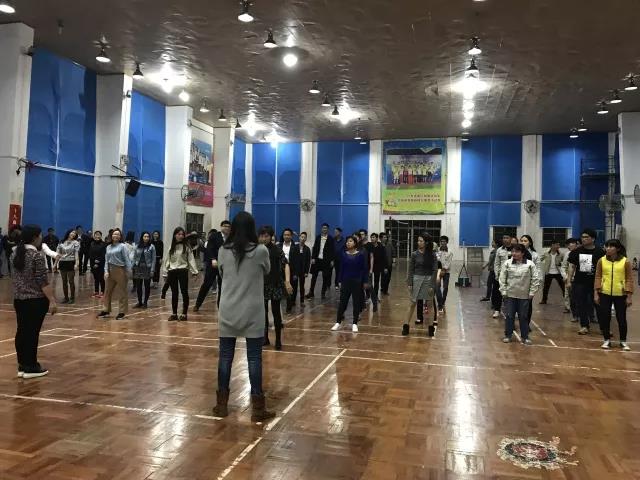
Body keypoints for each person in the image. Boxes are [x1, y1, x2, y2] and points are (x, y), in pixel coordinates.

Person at [213, 211, 275, 422]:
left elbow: (222, 274)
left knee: (225, 357)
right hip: (253, 311)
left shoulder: (223, 250)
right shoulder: (261, 251)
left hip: (228, 309)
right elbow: (266, 271)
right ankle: (258, 408)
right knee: (254, 358)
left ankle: (221, 404)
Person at [10, 224, 57, 379]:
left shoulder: (14, 253)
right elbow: (43, 281)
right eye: (40, 235)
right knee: (32, 333)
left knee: (22, 332)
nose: (41, 238)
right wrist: (52, 300)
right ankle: (31, 366)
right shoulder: (36, 256)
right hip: (35, 300)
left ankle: (22, 365)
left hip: (19, 300)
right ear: (35, 237)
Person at [595, 239, 633, 351]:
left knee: (621, 318)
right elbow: (598, 277)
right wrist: (596, 293)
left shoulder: (625, 261)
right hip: (604, 293)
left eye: (611, 246)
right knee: (605, 317)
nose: (608, 248)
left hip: (621, 294)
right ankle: (606, 340)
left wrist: (629, 296)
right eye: (607, 246)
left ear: (618, 249)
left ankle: (623, 341)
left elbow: (629, 279)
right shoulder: (601, 260)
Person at [566, 228, 605, 335]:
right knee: (581, 304)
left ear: (593, 239)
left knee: (599, 305)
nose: (583, 239)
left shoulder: (600, 252)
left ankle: (604, 327)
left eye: (586, 237)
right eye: (582, 237)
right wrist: (569, 281)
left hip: (595, 283)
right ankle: (584, 326)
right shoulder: (576, 252)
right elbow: (572, 266)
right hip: (580, 282)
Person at [499, 244, 540, 345]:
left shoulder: (530, 264)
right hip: (510, 295)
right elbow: (502, 278)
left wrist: (532, 292)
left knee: (523, 317)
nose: (514, 253)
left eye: (517, 252)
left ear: (523, 253)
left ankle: (525, 337)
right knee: (509, 316)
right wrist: (503, 292)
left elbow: (535, 279)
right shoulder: (507, 263)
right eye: (512, 251)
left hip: (524, 296)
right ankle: (508, 335)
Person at [260, 226, 293, 349]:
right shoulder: (258, 250)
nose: (264, 239)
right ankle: (265, 338)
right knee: (262, 313)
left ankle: (278, 339)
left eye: (266, 236)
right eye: (262, 236)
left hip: (275, 284)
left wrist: (287, 281)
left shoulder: (277, 250)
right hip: (262, 284)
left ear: (271, 237)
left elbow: (286, 264)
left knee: (276, 312)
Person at [402, 232, 441, 338]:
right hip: (416, 279)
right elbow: (410, 269)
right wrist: (410, 282)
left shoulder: (432, 255)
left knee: (429, 304)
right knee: (412, 303)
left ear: (426, 242)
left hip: (428, 280)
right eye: (418, 240)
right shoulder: (414, 254)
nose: (418, 242)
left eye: (421, 241)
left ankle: (431, 328)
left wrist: (432, 285)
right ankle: (406, 326)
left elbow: (435, 270)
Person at [331, 235, 368, 332]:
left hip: (357, 282)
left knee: (356, 303)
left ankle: (355, 323)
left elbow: (364, 269)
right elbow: (341, 269)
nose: (348, 243)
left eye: (350, 241)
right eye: (347, 241)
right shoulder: (344, 254)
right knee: (342, 303)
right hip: (345, 281)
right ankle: (338, 322)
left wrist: (365, 281)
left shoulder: (360, 255)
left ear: (355, 243)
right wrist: (339, 281)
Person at [163, 227, 199, 321]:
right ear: (175, 235)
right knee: (174, 293)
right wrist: (165, 273)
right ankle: (174, 313)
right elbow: (167, 260)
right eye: (178, 234)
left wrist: (194, 272)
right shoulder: (171, 247)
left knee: (184, 292)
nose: (181, 236)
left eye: (182, 234)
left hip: (183, 271)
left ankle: (184, 314)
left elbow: (191, 259)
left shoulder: (187, 247)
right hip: (172, 271)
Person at [98, 229, 132, 320]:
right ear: (111, 236)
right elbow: (106, 260)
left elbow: (127, 259)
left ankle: (122, 312)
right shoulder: (108, 247)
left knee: (122, 292)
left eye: (118, 234)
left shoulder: (123, 246)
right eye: (114, 234)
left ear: (120, 237)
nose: (116, 236)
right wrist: (106, 271)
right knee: (107, 291)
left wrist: (129, 272)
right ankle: (106, 310)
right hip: (110, 269)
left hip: (120, 269)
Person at [306, 223, 335, 300]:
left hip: (326, 260)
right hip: (317, 260)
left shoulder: (331, 239)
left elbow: (332, 250)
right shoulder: (318, 237)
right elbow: (315, 247)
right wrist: (313, 258)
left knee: (325, 277)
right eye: (323, 228)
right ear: (321, 229)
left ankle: (323, 293)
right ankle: (311, 292)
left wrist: (332, 260)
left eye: (326, 228)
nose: (324, 229)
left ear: (328, 229)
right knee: (314, 277)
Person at [194, 229, 219, 312]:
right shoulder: (207, 243)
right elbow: (206, 251)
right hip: (210, 266)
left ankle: (220, 306)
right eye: (210, 235)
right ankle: (197, 304)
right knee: (206, 285)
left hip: (220, 266)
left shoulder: (222, 243)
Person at [279, 228, 302, 313]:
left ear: (291, 236)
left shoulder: (295, 247)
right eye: (285, 235)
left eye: (288, 235)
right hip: (280, 270)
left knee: (290, 289)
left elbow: (297, 261)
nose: (286, 236)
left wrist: (296, 273)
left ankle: (289, 307)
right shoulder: (279, 246)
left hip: (292, 271)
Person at [492, 234, 514, 318]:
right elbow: (496, 263)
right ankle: (497, 310)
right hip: (501, 275)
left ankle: (511, 311)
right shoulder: (499, 250)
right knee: (498, 293)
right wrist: (497, 274)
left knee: (510, 294)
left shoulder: (515, 249)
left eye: (507, 238)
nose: (505, 239)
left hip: (512, 276)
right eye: (504, 238)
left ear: (511, 239)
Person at [132, 232, 156, 309]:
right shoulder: (137, 246)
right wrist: (132, 267)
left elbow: (153, 259)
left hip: (147, 268)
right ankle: (139, 302)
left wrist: (152, 270)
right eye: (145, 236)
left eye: (148, 236)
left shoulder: (152, 246)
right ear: (142, 237)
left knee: (147, 286)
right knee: (138, 286)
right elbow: (134, 257)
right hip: (138, 267)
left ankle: (145, 302)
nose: (146, 238)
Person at [56, 229, 80, 304]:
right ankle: (66, 298)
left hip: (71, 262)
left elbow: (76, 254)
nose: (73, 234)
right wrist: (55, 264)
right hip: (62, 263)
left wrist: (76, 263)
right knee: (64, 281)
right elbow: (58, 254)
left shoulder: (76, 243)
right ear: (68, 232)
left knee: (71, 281)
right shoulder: (61, 242)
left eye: (75, 233)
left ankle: (72, 298)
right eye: (72, 232)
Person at [539, 240, 565, 304]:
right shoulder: (546, 253)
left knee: (563, 287)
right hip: (548, 273)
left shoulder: (561, 254)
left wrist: (560, 264)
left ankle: (567, 300)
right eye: (557, 244)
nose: (558, 246)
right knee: (545, 288)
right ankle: (544, 300)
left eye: (559, 245)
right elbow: (539, 259)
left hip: (558, 273)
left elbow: (564, 263)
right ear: (552, 245)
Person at [560, 238, 580, 318]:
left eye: (570, 244)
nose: (569, 246)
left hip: (579, 279)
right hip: (569, 278)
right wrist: (565, 276)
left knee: (578, 296)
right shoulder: (567, 254)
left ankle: (580, 312)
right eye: (567, 245)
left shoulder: (582, 253)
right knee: (568, 295)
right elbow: (563, 266)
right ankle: (568, 308)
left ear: (576, 244)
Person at [369, 233, 388, 313]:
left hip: (378, 267)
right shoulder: (369, 246)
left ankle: (375, 296)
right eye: (371, 237)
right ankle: (369, 296)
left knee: (376, 282)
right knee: (369, 283)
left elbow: (384, 257)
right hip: (370, 266)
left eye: (373, 237)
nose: (372, 239)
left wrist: (385, 267)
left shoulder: (381, 247)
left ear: (377, 238)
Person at [436, 235, 453, 313]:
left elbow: (448, 262)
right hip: (438, 271)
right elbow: (437, 260)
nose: (443, 243)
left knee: (445, 287)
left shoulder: (450, 251)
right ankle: (439, 302)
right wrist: (439, 270)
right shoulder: (437, 250)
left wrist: (444, 270)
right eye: (441, 241)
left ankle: (443, 302)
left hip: (446, 272)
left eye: (444, 241)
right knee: (437, 287)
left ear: (447, 242)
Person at [89, 231, 107, 298]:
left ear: (101, 236)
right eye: (96, 235)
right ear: (94, 236)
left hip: (101, 264)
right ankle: (96, 291)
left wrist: (97, 262)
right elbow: (90, 253)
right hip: (93, 264)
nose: (97, 236)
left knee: (101, 278)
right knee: (96, 278)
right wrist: (93, 263)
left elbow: (103, 254)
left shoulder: (104, 244)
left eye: (99, 235)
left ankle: (102, 292)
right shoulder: (92, 243)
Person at [295, 232, 312, 306]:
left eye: (304, 237)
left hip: (303, 271)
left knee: (302, 286)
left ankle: (302, 301)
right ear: (299, 237)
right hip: (295, 271)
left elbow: (308, 261)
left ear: (306, 239)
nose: (303, 238)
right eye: (301, 237)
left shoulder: (307, 249)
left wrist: (306, 272)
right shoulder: (295, 247)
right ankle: (293, 300)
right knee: (294, 286)